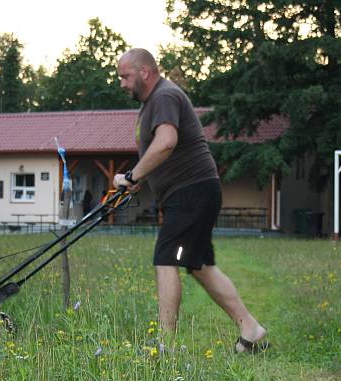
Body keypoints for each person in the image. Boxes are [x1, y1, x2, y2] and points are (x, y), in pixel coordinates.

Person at [113, 48, 268, 353]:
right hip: (193, 192)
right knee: (199, 266)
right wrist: (140, 179)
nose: (121, 83)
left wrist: (132, 176)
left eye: (125, 76)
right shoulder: (151, 104)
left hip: (191, 192)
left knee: (167, 258)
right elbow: (158, 151)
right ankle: (251, 330)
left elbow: (167, 142)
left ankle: (166, 346)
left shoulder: (164, 96)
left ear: (145, 71)